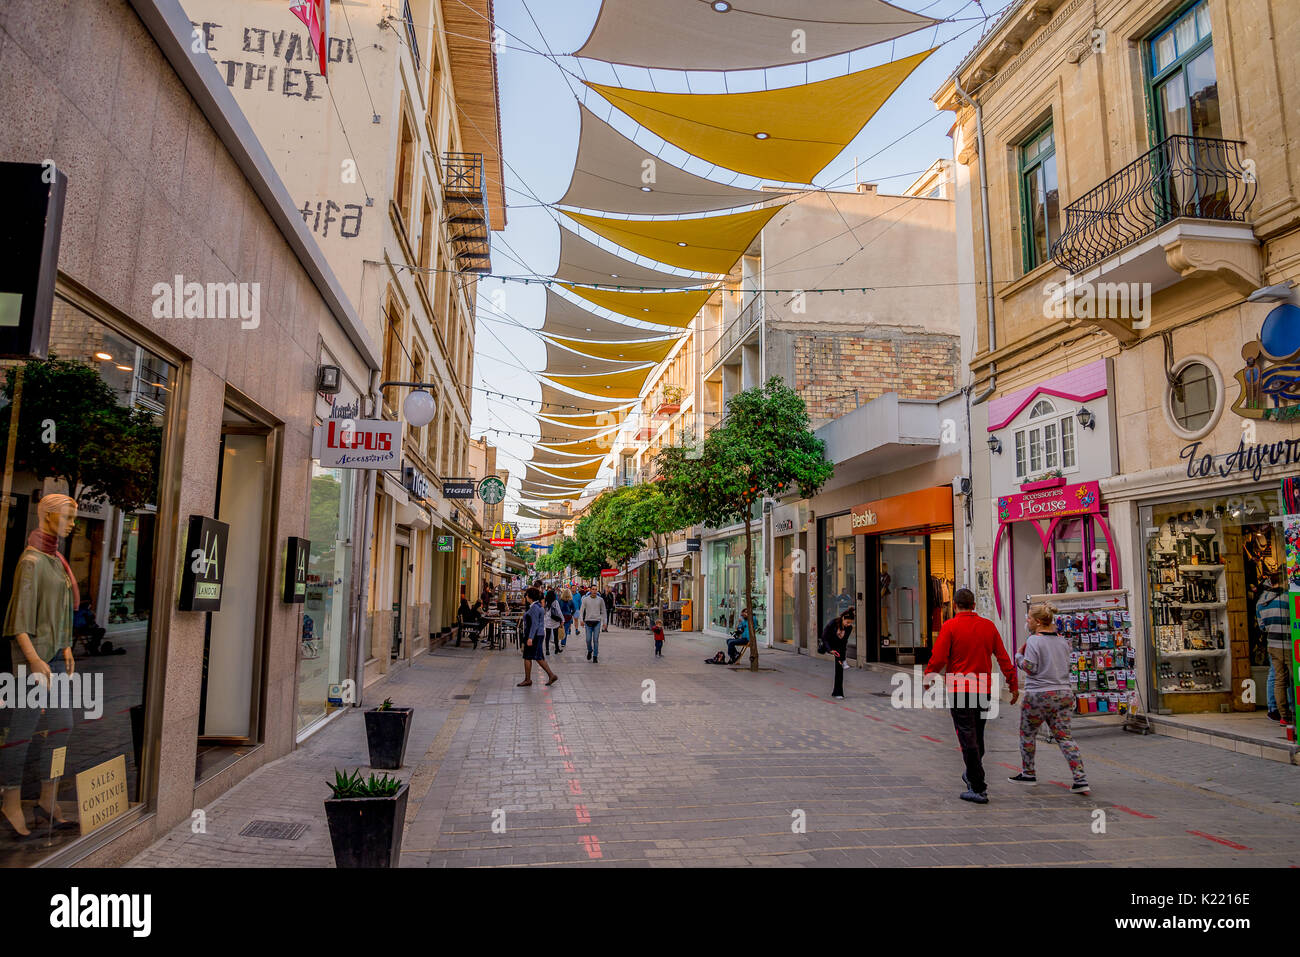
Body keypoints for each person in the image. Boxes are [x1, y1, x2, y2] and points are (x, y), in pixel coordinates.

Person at [2, 494, 80, 836]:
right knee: (21, 732)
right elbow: (18, 620)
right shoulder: (31, 561)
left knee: (63, 725)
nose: (73, 523)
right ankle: (10, 800)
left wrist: (65, 645)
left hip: (55, 657)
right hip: (32, 659)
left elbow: (61, 610)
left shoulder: (55, 560)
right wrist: (33, 659)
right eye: (68, 517)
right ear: (47, 517)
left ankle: (48, 798)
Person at [923, 587, 1018, 804]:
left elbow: (938, 657)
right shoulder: (988, 627)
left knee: (967, 737)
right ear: (974, 605)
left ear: (955, 606)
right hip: (983, 689)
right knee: (978, 733)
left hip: (959, 689)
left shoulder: (950, 627)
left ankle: (978, 785)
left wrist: (929, 677)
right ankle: (972, 773)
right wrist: (1012, 684)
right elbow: (1003, 657)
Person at [1009, 603, 1089, 794]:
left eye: (1028, 618)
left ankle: (1028, 773)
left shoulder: (1034, 641)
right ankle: (1080, 778)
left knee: (1027, 733)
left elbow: (1030, 667)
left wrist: (1018, 657)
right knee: (1064, 736)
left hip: (1039, 694)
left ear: (1037, 622)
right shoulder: (1062, 641)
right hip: (1063, 694)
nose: (1026, 621)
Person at [1258, 575, 1294, 737]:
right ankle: (1294, 710)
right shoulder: (1287, 598)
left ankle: (1283, 715)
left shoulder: (1262, 601)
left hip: (1272, 644)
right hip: (1288, 644)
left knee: (1279, 679)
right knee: (1294, 678)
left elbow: (1262, 626)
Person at [518, 587, 557, 687]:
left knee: (527, 656)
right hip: (539, 634)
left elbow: (534, 624)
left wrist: (530, 638)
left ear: (529, 596)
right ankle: (551, 675)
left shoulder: (534, 608)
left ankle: (528, 679)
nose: (526, 597)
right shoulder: (537, 606)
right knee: (538, 657)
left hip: (534, 635)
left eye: (526, 595)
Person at [822, 608, 855, 699]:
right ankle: (837, 692)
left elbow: (844, 642)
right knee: (839, 666)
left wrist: (842, 658)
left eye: (850, 623)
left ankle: (837, 692)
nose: (849, 625)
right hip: (830, 644)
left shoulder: (849, 628)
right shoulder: (833, 623)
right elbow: (824, 637)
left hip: (839, 647)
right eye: (847, 622)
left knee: (839, 669)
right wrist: (830, 650)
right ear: (843, 618)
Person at [579, 586, 606, 662]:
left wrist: (605, 622)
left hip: (597, 621)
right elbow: (581, 610)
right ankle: (590, 650)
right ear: (590, 590)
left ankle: (595, 656)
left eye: (595, 589)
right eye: (593, 589)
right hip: (588, 622)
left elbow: (604, 611)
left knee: (595, 639)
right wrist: (581, 620)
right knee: (588, 639)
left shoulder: (600, 600)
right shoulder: (585, 599)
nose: (594, 591)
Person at [543, 589, 565, 654]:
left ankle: (547, 650)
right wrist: (562, 620)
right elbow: (559, 612)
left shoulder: (546, 602)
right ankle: (556, 649)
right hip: (555, 621)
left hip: (547, 621)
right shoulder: (555, 602)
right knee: (556, 636)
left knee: (547, 636)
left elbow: (544, 612)